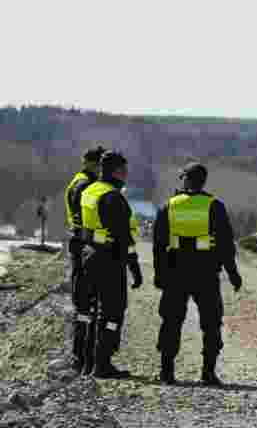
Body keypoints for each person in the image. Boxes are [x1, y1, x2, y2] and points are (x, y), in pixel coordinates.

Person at [152, 162, 242, 386]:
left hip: (175, 272)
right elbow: (225, 245)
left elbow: (158, 244)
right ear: (203, 181)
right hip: (206, 272)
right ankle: (208, 373)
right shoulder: (215, 206)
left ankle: (166, 372)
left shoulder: (169, 206)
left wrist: (159, 274)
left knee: (171, 321)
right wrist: (233, 274)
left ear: (184, 180)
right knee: (211, 323)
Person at [79, 151, 143, 379]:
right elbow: (123, 237)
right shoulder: (113, 197)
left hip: (89, 254)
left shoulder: (89, 191)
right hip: (109, 258)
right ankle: (103, 364)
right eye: (124, 170)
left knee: (93, 310)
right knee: (113, 312)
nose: (126, 175)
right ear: (117, 171)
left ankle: (87, 363)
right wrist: (134, 267)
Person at [64, 145, 106, 373]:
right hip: (84, 248)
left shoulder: (79, 181)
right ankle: (82, 358)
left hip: (79, 246)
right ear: (92, 163)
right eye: (101, 164)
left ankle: (82, 357)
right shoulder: (85, 185)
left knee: (84, 306)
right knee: (85, 306)